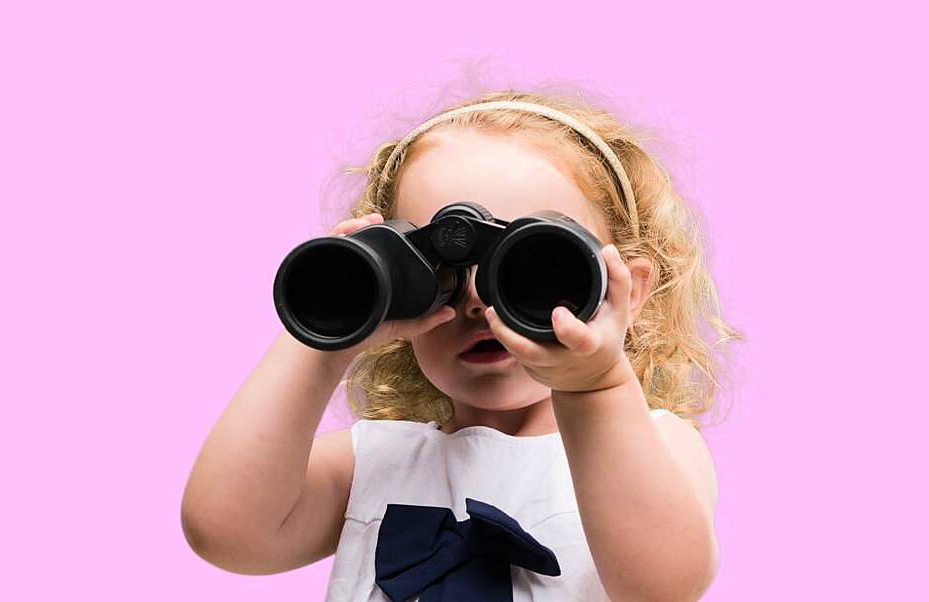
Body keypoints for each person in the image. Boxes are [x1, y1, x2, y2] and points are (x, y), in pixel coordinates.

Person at [181, 90, 743, 601]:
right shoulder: (375, 461)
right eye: (442, 271)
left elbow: (663, 586)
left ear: (628, 290)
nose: (478, 299)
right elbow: (227, 533)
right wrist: (328, 324)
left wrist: (594, 386)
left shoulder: (657, 445)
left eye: (530, 266)